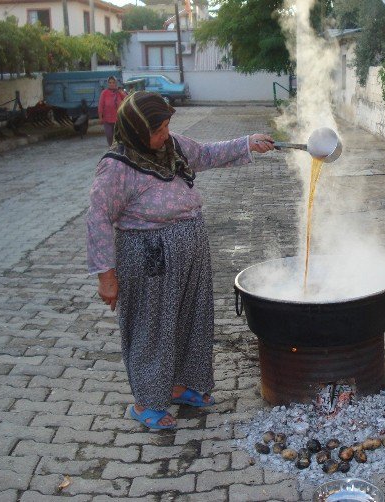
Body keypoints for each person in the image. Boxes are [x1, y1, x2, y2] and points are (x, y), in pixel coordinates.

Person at [86, 91, 274, 429]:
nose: (164, 135)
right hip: (148, 259)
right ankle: (147, 402)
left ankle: (179, 385)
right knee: (153, 326)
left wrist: (249, 142)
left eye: (167, 126)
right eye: (157, 130)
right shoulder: (116, 167)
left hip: (191, 251)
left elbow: (207, 153)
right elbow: (98, 218)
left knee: (191, 317)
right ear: (135, 130)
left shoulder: (172, 147)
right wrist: (106, 276)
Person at [98, 76, 127, 146]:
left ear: (116, 83)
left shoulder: (119, 92)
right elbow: (100, 105)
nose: (111, 84)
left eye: (113, 82)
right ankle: (111, 149)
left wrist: (121, 92)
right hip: (107, 119)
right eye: (110, 82)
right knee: (109, 136)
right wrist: (100, 118)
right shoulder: (104, 93)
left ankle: (118, 150)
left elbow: (127, 99)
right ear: (108, 83)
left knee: (119, 137)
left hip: (118, 120)